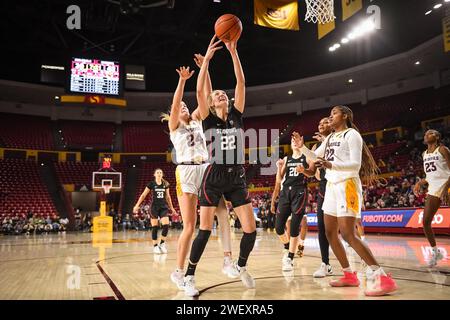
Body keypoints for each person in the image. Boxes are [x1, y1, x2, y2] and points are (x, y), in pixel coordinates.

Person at [294, 105, 397, 296]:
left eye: (334, 113)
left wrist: (330, 164)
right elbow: (315, 156)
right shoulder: (331, 137)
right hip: (332, 186)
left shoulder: (352, 135)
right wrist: (302, 148)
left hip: (347, 185)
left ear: (345, 116)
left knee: (349, 234)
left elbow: (355, 165)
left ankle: (382, 276)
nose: (330, 116)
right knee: (329, 232)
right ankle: (349, 274)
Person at [182, 35, 257, 297]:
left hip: (236, 176)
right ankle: (189, 276)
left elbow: (241, 82)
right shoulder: (208, 121)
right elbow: (200, 90)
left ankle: (241, 265)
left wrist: (233, 52)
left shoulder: (236, 115)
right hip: (213, 177)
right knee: (203, 229)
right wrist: (207, 63)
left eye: (222, 93)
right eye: (217, 95)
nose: (221, 95)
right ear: (212, 104)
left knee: (250, 229)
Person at [162, 60, 235, 291]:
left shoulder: (196, 119)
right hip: (185, 172)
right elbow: (175, 105)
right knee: (189, 226)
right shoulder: (175, 126)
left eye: (186, 105)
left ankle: (227, 259)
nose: (184, 107)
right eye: (181, 106)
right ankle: (179, 271)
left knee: (223, 211)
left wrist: (207, 67)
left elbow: (206, 95)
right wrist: (182, 82)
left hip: (206, 168)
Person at [271, 135, 315, 271]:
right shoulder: (286, 159)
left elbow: (312, 173)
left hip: (299, 192)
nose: (294, 143)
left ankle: (290, 257)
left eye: (297, 141)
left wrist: (304, 171)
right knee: (278, 228)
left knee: (295, 226)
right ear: (290, 145)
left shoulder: (306, 157)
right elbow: (279, 180)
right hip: (285, 193)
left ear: (301, 142)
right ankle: (287, 246)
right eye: (292, 141)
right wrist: (279, 167)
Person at [414, 129, 450, 267]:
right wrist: (420, 182)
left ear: (437, 136)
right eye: (426, 133)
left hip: (447, 184)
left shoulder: (443, 149)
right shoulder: (424, 154)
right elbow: (430, 175)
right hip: (434, 188)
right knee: (426, 221)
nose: (427, 134)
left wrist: (447, 188)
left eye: (431, 133)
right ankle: (436, 252)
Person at [133, 168, 176, 254]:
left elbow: (168, 197)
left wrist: (172, 208)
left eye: (160, 172)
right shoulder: (151, 184)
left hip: (163, 207)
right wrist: (137, 205)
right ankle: (155, 246)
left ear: (162, 174)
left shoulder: (165, 184)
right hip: (154, 208)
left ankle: (162, 244)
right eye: (157, 172)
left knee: (166, 225)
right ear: (154, 175)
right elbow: (143, 195)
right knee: (155, 227)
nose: (159, 174)